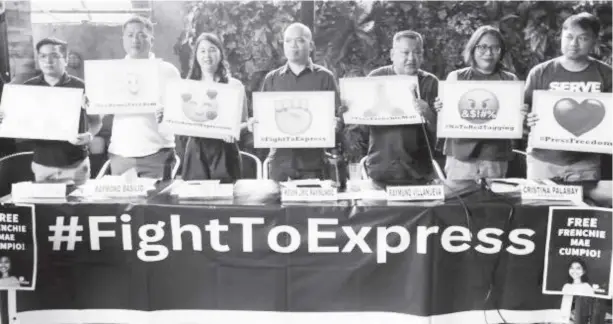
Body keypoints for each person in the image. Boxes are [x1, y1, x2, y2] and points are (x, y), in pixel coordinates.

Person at [248, 23, 343, 182]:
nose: (293, 45)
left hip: (314, 164)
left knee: (312, 207)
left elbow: (337, 118)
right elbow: (263, 119)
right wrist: (255, 124)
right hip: (280, 164)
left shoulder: (325, 77)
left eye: (299, 40)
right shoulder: (272, 79)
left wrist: (337, 123)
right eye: (288, 41)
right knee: (279, 207)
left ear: (311, 45)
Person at [0, 37, 102, 185]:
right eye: (42, 56)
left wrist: (90, 135)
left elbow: (96, 120)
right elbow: (16, 120)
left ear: (65, 59)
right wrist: (4, 118)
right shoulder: (28, 88)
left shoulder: (82, 87)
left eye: (54, 56)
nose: (48, 61)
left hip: (76, 166)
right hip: (42, 165)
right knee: (46, 208)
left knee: (79, 207)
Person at [524, 13, 612, 181]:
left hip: (586, 162)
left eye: (583, 38)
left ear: (594, 41)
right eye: (569, 37)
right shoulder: (540, 72)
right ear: (561, 37)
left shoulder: (607, 74)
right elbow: (522, 111)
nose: (574, 44)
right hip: (542, 161)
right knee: (539, 207)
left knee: (584, 207)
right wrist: (527, 119)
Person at [433, 26, 528, 180]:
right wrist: (442, 108)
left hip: (494, 157)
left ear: (501, 51)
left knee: (493, 202)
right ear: (472, 49)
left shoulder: (510, 80)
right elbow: (446, 117)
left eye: (495, 48)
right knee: (460, 202)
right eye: (482, 47)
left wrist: (521, 114)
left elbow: (516, 122)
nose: (489, 53)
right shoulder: (456, 77)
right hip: (460, 157)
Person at [357, 30, 439, 186]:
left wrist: (428, 112)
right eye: (405, 53)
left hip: (419, 171)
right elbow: (363, 127)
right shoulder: (376, 78)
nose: (411, 58)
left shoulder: (430, 82)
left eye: (417, 53)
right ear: (392, 54)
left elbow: (439, 131)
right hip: (381, 169)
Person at [107, 15, 181, 178]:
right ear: (123, 40)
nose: (135, 40)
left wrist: (169, 113)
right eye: (130, 35)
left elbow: (180, 112)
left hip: (157, 154)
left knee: (157, 202)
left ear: (151, 40)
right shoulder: (112, 72)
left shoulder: (168, 71)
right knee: (121, 204)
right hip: (120, 155)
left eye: (141, 35)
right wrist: (90, 103)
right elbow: (100, 110)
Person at [180, 33, 248, 182]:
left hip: (225, 151)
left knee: (226, 200)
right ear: (196, 55)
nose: (207, 55)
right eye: (202, 51)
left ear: (220, 54)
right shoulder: (187, 86)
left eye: (212, 50)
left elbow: (244, 122)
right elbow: (180, 119)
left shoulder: (234, 86)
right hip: (196, 150)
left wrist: (233, 131)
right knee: (195, 201)